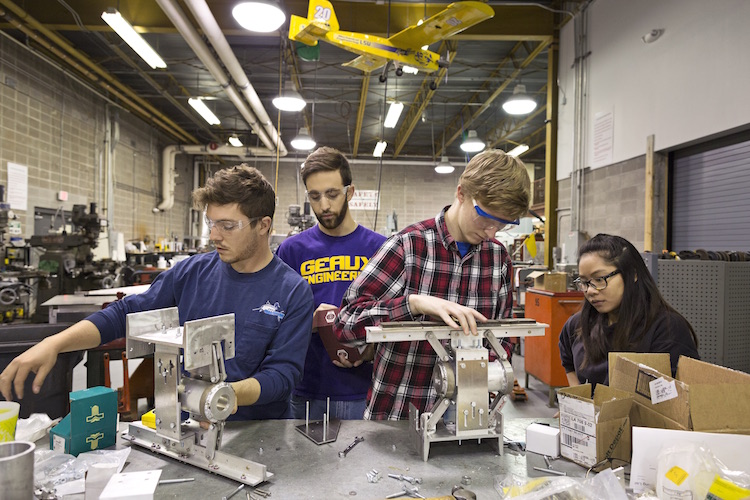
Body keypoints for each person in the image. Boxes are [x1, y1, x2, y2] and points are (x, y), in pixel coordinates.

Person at [0, 165, 314, 420]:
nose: (215, 235)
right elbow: (125, 314)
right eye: (211, 224)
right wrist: (55, 344)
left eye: (228, 226)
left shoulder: (292, 291)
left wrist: (224, 396)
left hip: (259, 433)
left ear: (263, 225)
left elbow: (282, 375)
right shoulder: (193, 272)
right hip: (186, 427)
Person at [334, 149, 531, 420]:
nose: (491, 232)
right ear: (461, 193)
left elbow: (505, 336)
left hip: (468, 420)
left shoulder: (498, 259)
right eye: (485, 219)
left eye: (503, 224)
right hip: (400, 417)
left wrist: (488, 374)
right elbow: (345, 324)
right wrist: (413, 304)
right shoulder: (408, 246)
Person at [276, 146, 386, 420]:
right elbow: (273, 315)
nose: (324, 205)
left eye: (332, 194)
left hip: (363, 390)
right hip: (306, 391)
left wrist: (372, 349)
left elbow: (395, 314)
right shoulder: (292, 250)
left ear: (350, 192)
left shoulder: (381, 248)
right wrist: (309, 322)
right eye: (315, 196)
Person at [559, 233, 699, 389]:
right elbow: (567, 359)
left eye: (599, 279)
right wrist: (577, 401)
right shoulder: (578, 324)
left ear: (632, 274)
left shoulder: (666, 328)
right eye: (584, 282)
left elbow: (677, 394)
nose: (590, 291)